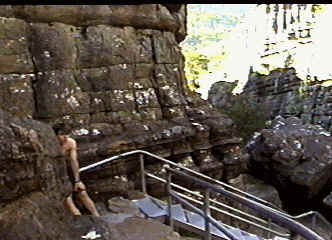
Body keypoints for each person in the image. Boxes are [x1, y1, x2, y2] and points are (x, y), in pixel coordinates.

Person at [53, 124, 100, 216]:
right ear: (55, 135)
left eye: (67, 134)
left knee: (82, 193)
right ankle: (79, 221)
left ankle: (97, 217)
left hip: (69, 171)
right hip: (58, 174)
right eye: (62, 135)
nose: (66, 137)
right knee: (68, 199)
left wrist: (77, 180)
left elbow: (74, 161)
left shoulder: (71, 142)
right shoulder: (51, 145)